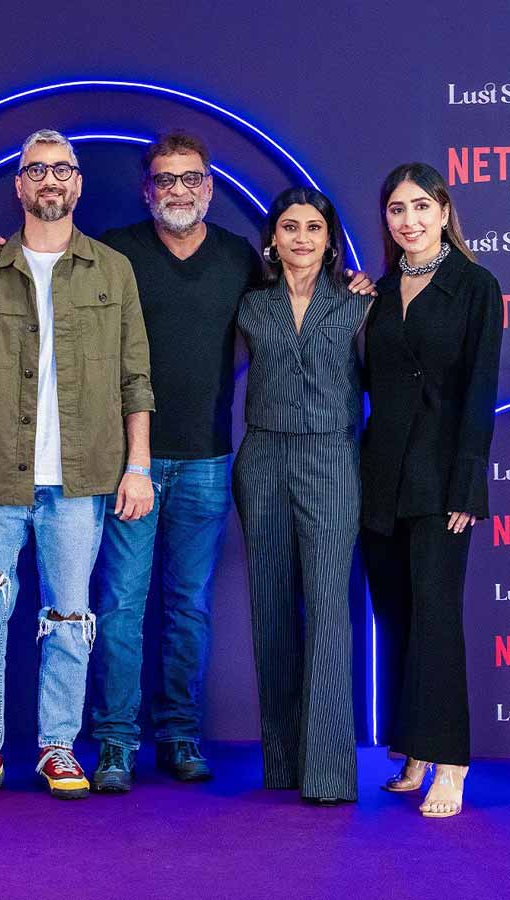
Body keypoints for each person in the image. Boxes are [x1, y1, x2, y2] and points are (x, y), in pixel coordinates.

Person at [0, 133, 373, 792]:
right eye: (165, 180)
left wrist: (349, 284)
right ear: (147, 190)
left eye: (190, 179)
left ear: (208, 186)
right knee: (120, 604)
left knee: (189, 608)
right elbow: (35, 270)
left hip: (209, 457)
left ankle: (180, 734)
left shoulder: (240, 257)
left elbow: (293, 305)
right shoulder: (114, 253)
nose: (178, 190)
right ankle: (117, 742)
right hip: (128, 463)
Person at [0, 129, 154, 803]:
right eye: (36, 170)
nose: (50, 180)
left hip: (84, 480)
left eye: (62, 170)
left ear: (78, 184)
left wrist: (138, 464)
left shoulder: (112, 269)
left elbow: (135, 376)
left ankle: (58, 746)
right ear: (18, 185)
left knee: (68, 620)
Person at [361, 163, 502, 819]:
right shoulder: (379, 293)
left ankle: (451, 761)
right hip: (379, 479)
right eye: (397, 210)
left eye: (421, 206)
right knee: (398, 617)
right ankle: (412, 748)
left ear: (443, 210)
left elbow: (478, 393)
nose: (409, 220)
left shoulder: (475, 286)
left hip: (442, 479)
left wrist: (467, 484)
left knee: (438, 620)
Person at [233, 187, 369, 805]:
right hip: (262, 459)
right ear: (273, 238)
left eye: (314, 228)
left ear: (330, 239)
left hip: (331, 458)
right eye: (290, 227)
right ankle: (283, 763)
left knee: (328, 610)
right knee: (269, 609)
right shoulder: (251, 305)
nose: (302, 238)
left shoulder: (357, 305)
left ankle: (330, 773)